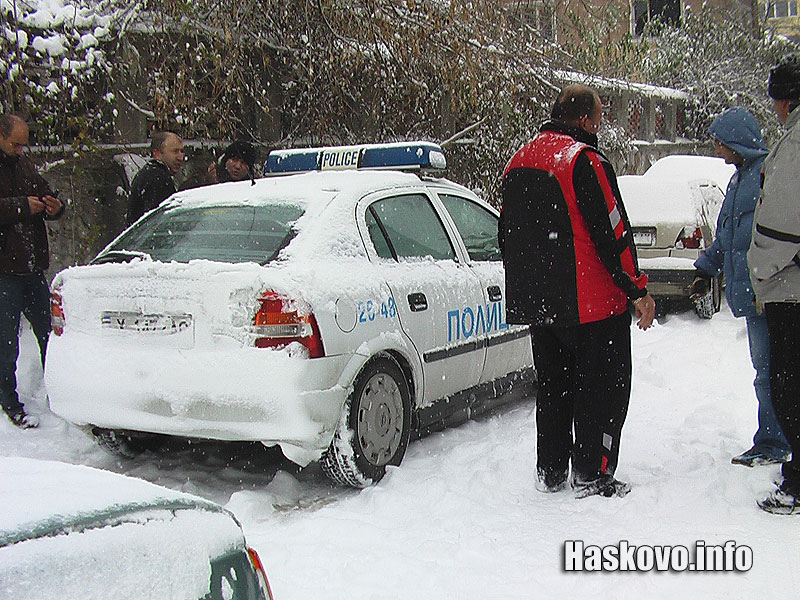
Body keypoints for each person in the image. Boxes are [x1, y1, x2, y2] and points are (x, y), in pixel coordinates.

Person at [499, 84, 656, 499]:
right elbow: (614, 233)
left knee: (553, 389)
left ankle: (550, 470)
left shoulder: (519, 160)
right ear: (585, 120)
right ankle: (592, 471)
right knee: (603, 389)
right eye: (598, 116)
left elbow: (507, 234)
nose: (599, 124)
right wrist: (637, 289)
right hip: (592, 303)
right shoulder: (584, 161)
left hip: (541, 306)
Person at [690, 107, 791, 467]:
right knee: (767, 372)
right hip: (754, 295)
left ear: (737, 141)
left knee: (772, 374)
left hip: (769, 291)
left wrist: (764, 276)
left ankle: (775, 443)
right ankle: (775, 438)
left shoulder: (766, 174)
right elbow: (727, 238)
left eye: (720, 142)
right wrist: (705, 270)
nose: (717, 149)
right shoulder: (738, 180)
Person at [748, 53, 800, 514]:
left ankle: (798, 482)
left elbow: (778, 225)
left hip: (792, 288)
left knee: (789, 382)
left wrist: (759, 271)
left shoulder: (794, 144)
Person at [0, 113, 65, 428]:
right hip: (4, 270)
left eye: (24, 145)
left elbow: (46, 193)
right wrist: (22, 206)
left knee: (50, 335)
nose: (21, 151)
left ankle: (59, 395)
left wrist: (55, 206)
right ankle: (9, 401)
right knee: (6, 341)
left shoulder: (25, 166)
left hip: (32, 267)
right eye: (16, 144)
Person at [127, 131, 184, 224]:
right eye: (175, 151)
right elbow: (161, 222)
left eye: (182, 151)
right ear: (157, 153)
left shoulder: (148, 173)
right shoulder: (158, 178)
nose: (180, 157)